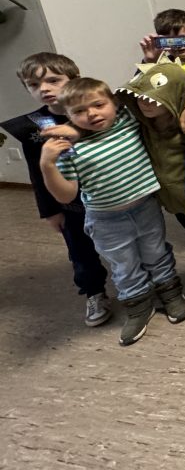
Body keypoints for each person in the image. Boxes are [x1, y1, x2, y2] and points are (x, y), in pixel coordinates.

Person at [40, 77, 185, 346]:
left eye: (99, 105)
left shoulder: (127, 123)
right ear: (67, 116)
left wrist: (147, 61)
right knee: (124, 263)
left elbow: (135, 93)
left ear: (113, 104)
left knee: (156, 251)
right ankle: (138, 307)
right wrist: (47, 165)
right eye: (79, 111)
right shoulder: (69, 149)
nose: (92, 114)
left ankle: (170, 293)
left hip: (145, 207)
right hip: (106, 218)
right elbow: (66, 194)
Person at [2, 53, 110, 327]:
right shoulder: (34, 128)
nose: (45, 89)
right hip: (71, 206)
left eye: (53, 80)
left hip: (110, 197)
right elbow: (37, 172)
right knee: (81, 253)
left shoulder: (97, 113)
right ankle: (94, 292)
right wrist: (49, 211)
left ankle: (142, 283)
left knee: (129, 245)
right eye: (34, 85)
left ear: (74, 80)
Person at [117, 62, 185, 302]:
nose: (146, 103)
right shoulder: (144, 125)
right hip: (174, 199)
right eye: (141, 99)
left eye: (154, 99)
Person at [139, 8, 185, 72]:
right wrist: (149, 61)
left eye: (184, 39)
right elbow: (136, 87)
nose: (178, 45)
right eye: (170, 40)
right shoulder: (161, 67)